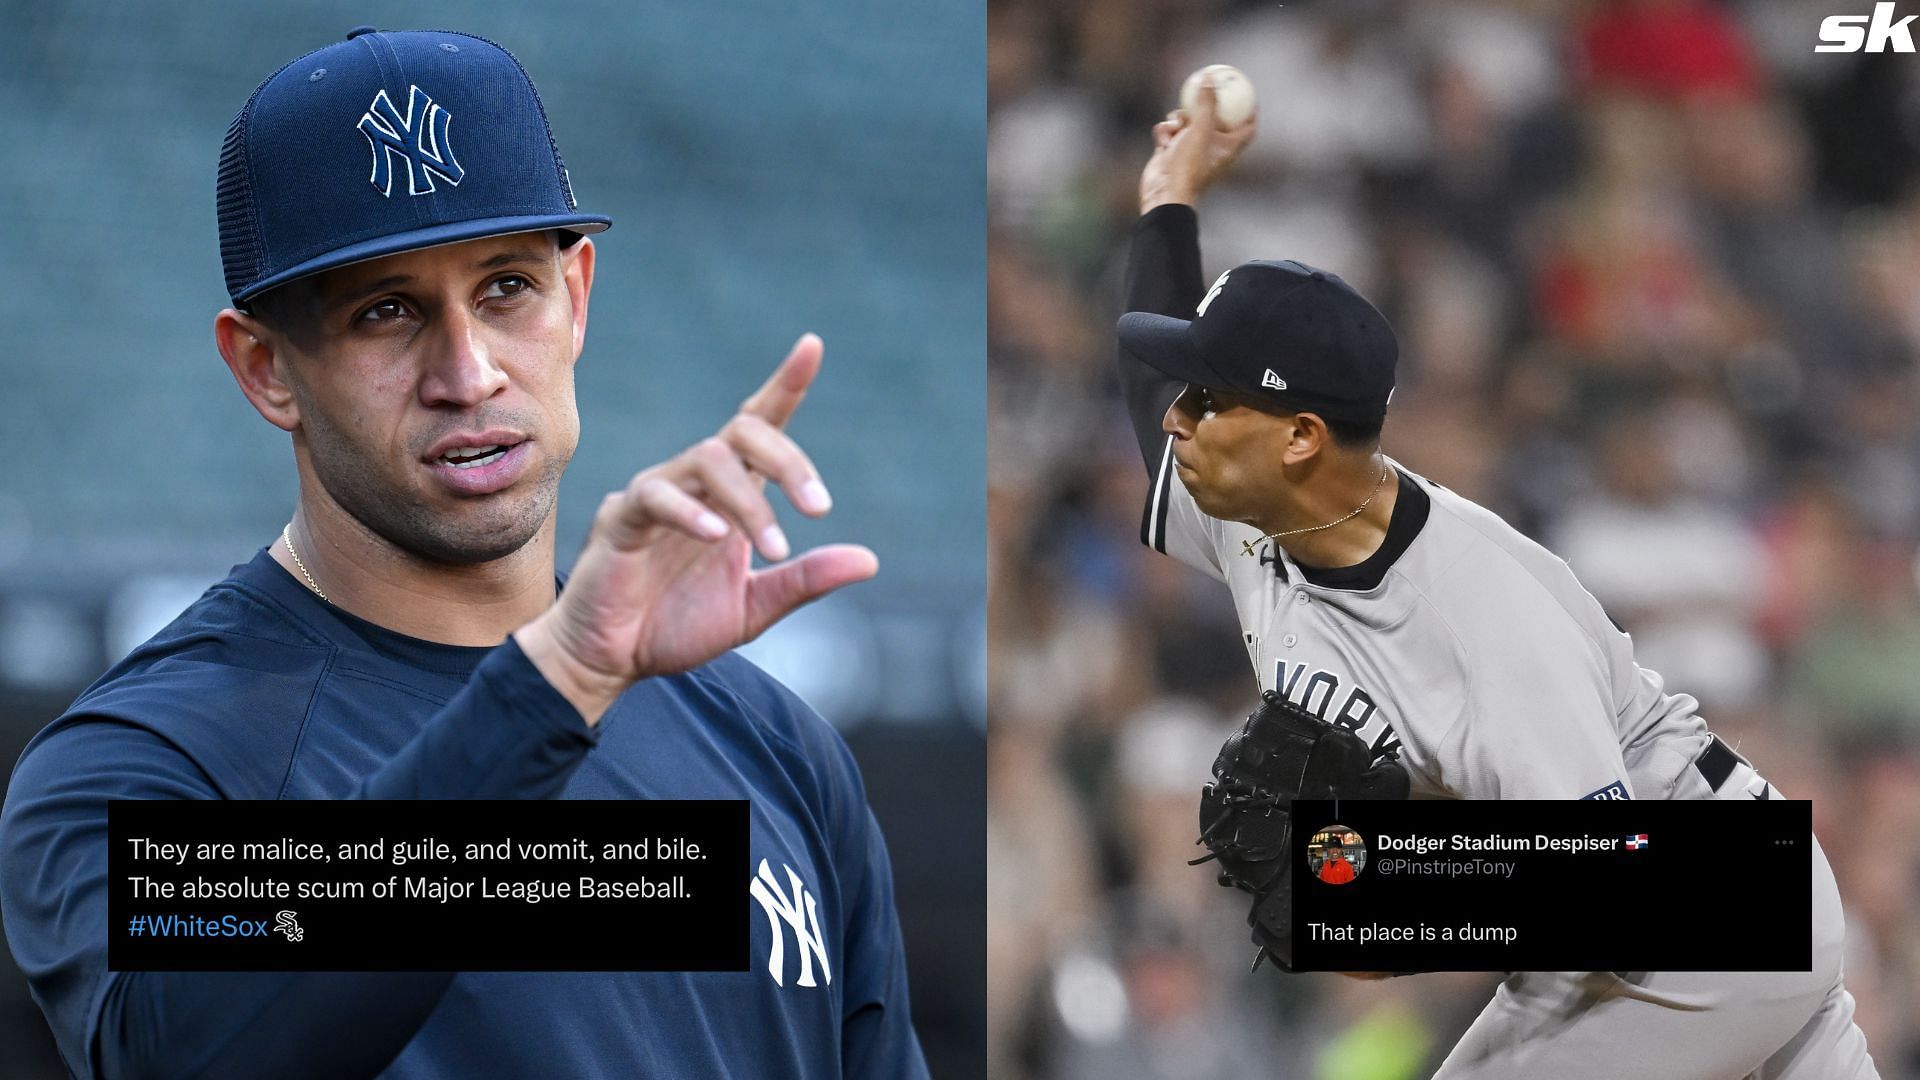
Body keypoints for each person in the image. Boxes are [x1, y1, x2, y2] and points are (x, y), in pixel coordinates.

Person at [0, 27, 928, 1079]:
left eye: (504, 289)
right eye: (385, 311)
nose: (467, 369)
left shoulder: (778, 748)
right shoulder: (153, 760)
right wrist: (556, 684)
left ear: (576, 297)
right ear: (265, 369)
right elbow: (181, 1059)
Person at [1113, 78, 1877, 1078]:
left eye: (1207, 400)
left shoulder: (1484, 615)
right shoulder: (1257, 515)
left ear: (1299, 437)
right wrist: (1170, 195)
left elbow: (1610, 898)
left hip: (1709, 904)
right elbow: (1148, 407)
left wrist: (1368, 893)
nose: (1180, 419)